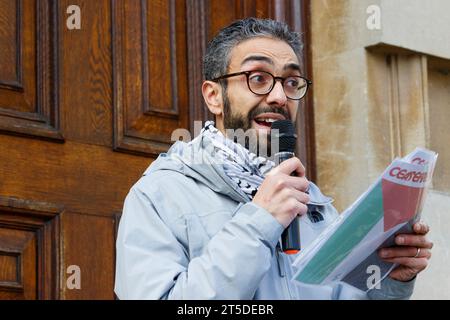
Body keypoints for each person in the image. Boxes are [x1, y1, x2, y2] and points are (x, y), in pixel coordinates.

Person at [114, 18, 433, 299]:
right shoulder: (158, 195)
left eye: (291, 82)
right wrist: (260, 221)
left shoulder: (317, 208)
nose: (280, 97)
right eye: (258, 78)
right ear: (214, 96)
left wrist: (390, 282)